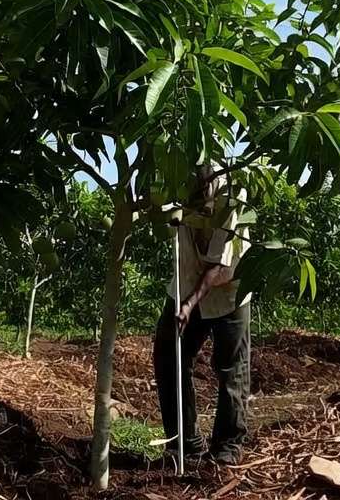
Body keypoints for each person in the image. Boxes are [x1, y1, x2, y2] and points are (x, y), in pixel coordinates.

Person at [152, 166, 250, 465]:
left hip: (228, 290)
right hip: (184, 283)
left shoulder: (232, 193)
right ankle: (184, 442)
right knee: (168, 355)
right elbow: (160, 214)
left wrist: (191, 303)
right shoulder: (173, 182)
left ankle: (227, 447)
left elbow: (220, 263)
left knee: (231, 367)